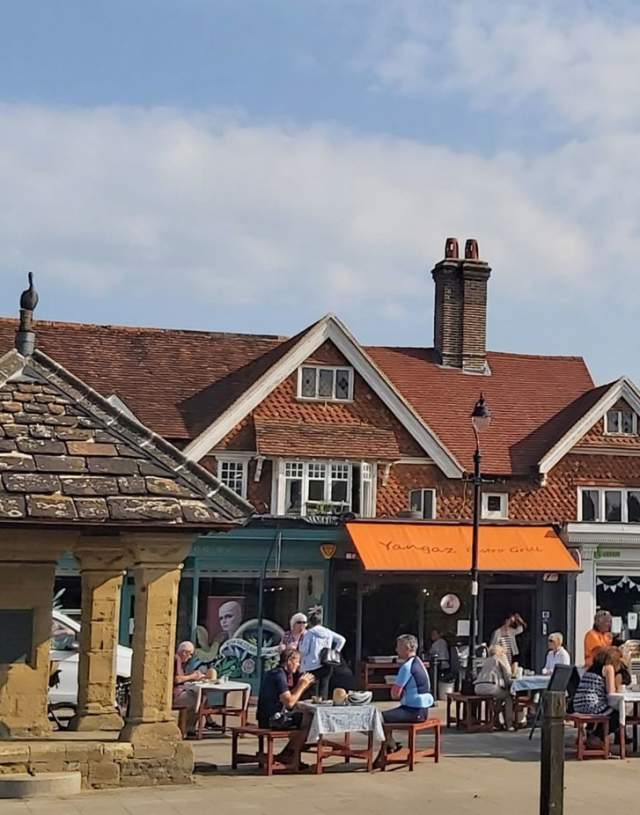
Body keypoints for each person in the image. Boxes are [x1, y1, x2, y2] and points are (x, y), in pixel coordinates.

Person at [375, 634, 434, 764]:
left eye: (398, 646)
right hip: (422, 710)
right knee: (385, 718)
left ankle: (390, 744)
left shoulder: (406, 667)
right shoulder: (420, 663)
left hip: (412, 711)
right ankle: (390, 743)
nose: (396, 650)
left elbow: (395, 694)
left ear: (406, 647)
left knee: (376, 718)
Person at [256, 648, 315, 769]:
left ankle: (289, 753)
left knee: (306, 716)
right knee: (310, 719)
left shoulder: (278, 673)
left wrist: (300, 686)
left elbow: (287, 697)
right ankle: (290, 755)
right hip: (272, 719)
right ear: (289, 661)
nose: (298, 665)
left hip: (268, 716)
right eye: (297, 661)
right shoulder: (279, 675)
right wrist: (302, 685)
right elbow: (290, 703)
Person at [572, 646, 621, 748]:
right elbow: (611, 692)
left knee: (605, 710)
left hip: (577, 704)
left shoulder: (591, 668)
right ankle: (596, 737)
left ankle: (590, 733)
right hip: (591, 704)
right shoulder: (608, 668)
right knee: (617, 715)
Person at [298, 612, 346, 699]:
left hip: (311, 665)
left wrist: (300, 645)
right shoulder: (328, 632)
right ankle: (322, 708)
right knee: (323, 689)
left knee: (312, 692)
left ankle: (312, 711)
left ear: (310, 622)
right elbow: (342, 640)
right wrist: (335, 651)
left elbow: (304, 651)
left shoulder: (309, 634)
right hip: (326, 663)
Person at [474, 644, 514, 730]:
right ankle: (509, 724)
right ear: (501, 652)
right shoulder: (500, 659)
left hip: (478, 687)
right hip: (490, 686)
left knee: (499, 696)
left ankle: (496, 721)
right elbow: (507, 674)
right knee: (508, 696)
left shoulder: (487, 660)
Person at [173, 641, 206, 732]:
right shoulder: (177, 659)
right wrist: (193, 676)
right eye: (190, 654)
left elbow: (181, 678)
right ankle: (188, 728)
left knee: (198, 696)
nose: (190, 657)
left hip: (179, 691)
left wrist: (192, 678)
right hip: (175, 695)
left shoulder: (180, 661)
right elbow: (177, 679)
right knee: (198, 700)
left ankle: (188, 727)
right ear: (184, 652)